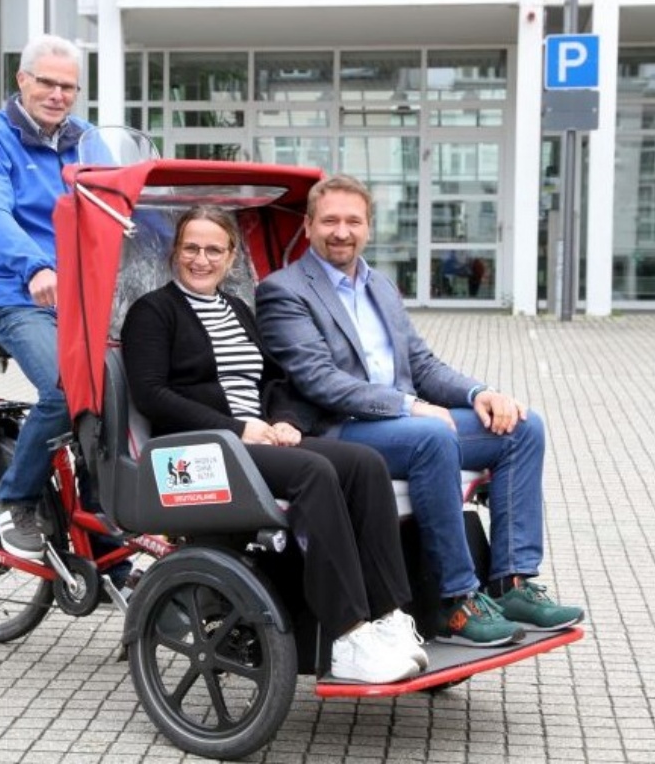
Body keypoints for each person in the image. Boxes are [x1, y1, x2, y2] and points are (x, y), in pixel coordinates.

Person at [255, 174, 583, 647]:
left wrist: (480, 394)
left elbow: (422, 365)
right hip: (340, 431)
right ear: (307, 227)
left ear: (369, 227)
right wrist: (411, 407)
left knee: (522, 428)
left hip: (404, 422)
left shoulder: (380, 286)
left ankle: (511, 582)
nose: (341, 231)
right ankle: (456, 600)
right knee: (432, 437)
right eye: (329, 220)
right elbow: (318, 379)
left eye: (353, 221)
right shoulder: (283, 290)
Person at [121, 205, 428, 684]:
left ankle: (386, 617)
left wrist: (282, 420)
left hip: (254, 438)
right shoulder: (153, 312)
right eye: (191, 249)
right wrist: (238, 428)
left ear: (231, 255)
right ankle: (346, 631)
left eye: (213, 250)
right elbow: (152, 396)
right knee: (314, 473)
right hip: (198, 448)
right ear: (175, 253)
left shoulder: (238, 309)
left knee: (364, 464)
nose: (201, 260)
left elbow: (275, 381)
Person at [0, 33, 93, 560]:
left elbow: (120, 206)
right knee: (66, 388)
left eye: (69, 87)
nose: (58, 95)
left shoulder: (87, 141)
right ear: (22, 81)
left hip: (84, 295)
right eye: (48, 83)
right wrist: (36, 265)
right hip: (17, 294)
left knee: (131, 390)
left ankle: (100, 519)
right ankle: (14, 501)